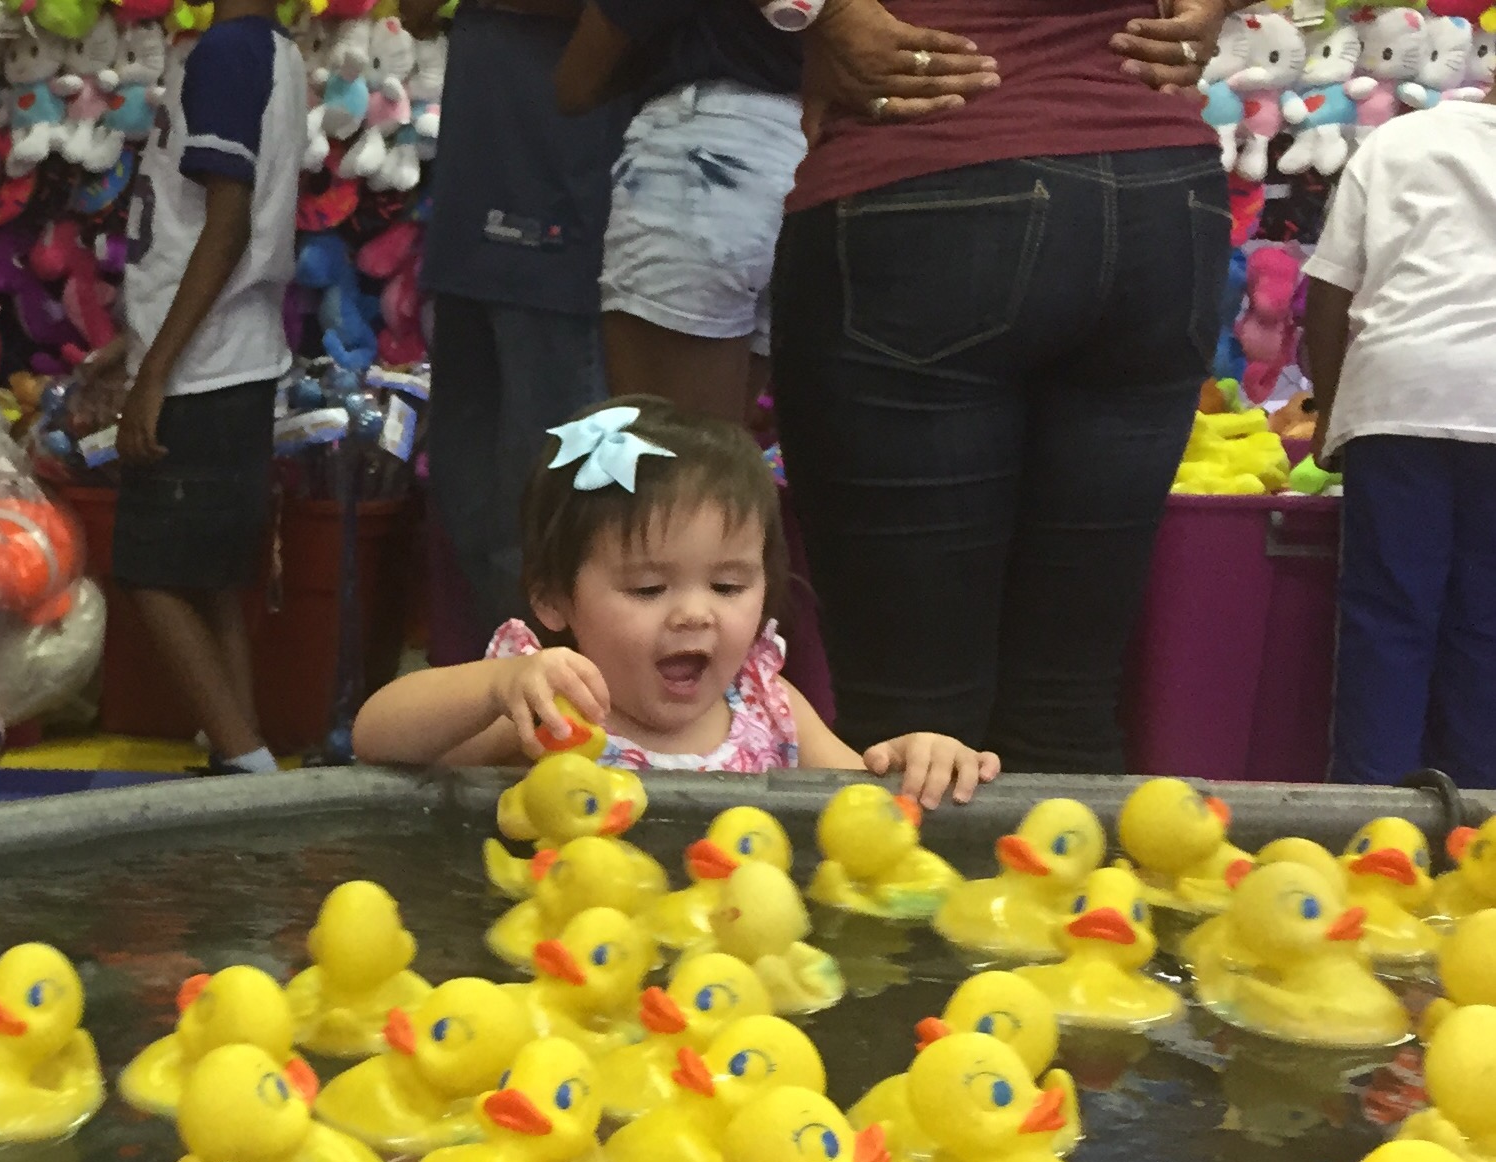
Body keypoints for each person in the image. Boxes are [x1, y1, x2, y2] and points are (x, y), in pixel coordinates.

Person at [763, 0, 1229, 775]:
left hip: (928, 173)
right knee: (1066, 709)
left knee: (908, 724)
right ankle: (1071, 858)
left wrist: (828, 11)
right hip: (1160, 191)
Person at [352, 396, 999, 806]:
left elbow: (863, 816)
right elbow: (377, 740)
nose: (695, 612)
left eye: (728, 586)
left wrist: (916, 761)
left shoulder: (767, 707)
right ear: (552, 598)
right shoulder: (549, 709)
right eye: (648, 588)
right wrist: (497, 687)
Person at [110, 0, 307, 775]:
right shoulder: (272, 51)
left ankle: (244, 756)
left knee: (148, 572)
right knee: (212, 580)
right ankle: (240, 754)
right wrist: (129, 346)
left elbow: (227, 224)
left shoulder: (227, 52)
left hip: (202, 367)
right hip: (228, 354)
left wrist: (155, 370)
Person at [406, 0, 630, 646]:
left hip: (559, 214)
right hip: (468, 211)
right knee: (466, 498)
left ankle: (561, 682)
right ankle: (505, 677)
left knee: (548, 512)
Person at [1304, 96, 1496, 789]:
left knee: (1386, 617)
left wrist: (1331, 411)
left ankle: (1371, 816)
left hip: (1396, 395)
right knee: (1486, 624)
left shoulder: (1400, 139)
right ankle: (1479, 824)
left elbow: (1328, 293)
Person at [555, 0, 804, 424]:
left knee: (666, 449)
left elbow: (576, 83)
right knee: (720, 446)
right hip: (810, 152)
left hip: (704, 155)